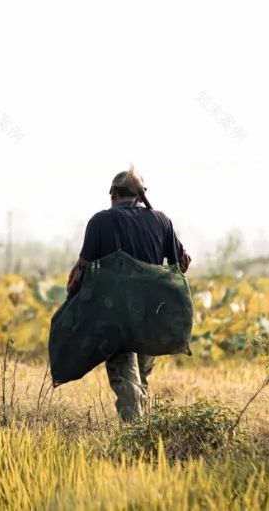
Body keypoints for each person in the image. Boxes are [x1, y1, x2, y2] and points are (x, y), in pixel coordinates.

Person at [65, 168, 191, 422]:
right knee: (141, 379)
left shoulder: (100, 221)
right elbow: (183, 262)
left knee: (127, 381)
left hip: (116, 316)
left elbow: (81, 270)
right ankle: (143, 436)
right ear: (141, 196)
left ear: (113, 193)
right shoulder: (162, 221)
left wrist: (71, 303)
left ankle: (134, 439)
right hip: (153, 315)